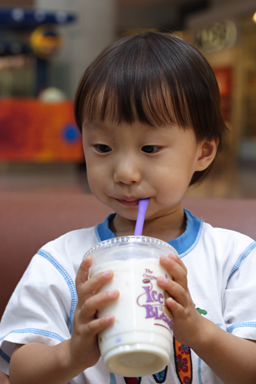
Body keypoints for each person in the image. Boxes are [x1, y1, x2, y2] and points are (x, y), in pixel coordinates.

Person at [0, 32, 256, 384]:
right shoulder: (61, 262)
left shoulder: (235, 259)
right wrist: (72, 353)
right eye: (102, 147)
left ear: (203, 152)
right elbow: (18, 374)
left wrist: (198, 332)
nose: (124, 173)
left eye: (150, 148)